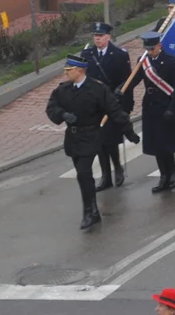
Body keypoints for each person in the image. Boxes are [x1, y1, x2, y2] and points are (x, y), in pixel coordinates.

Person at [45, 54, 129, 228]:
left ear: (80, 70)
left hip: (90, 136)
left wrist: (128, 130)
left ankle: (88, 211)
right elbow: (52, 106)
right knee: (83, 176)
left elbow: (113, 109)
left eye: (70, 70)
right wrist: (62, 114)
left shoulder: (97, 89)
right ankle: (93, 211)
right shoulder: (63, 89)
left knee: (83, 173)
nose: (66, 73)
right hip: (73, 138)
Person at [81, 22, 139, 191]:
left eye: (100, 36)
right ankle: (106, 176)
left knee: (111, 140)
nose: (97, 39)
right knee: (99, 141)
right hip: (95, 105)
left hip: (112, 103)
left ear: (108, 37)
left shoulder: (119, 55)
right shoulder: (87, 54)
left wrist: (126, 105)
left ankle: (118, 167)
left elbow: (127, 80)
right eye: (95, 36)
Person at [137, 32, 175, 193]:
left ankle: (173, 172)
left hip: (165, 104)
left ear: (159, 46)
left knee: (166, 143)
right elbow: (134, 79)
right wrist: (122, 90)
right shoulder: (143, 61)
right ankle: (163, 175)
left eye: (152, 49)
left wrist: (173, 108)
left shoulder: (171, 62)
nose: (150, 52)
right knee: (156, 144)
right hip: (150, 106)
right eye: (147, 49)